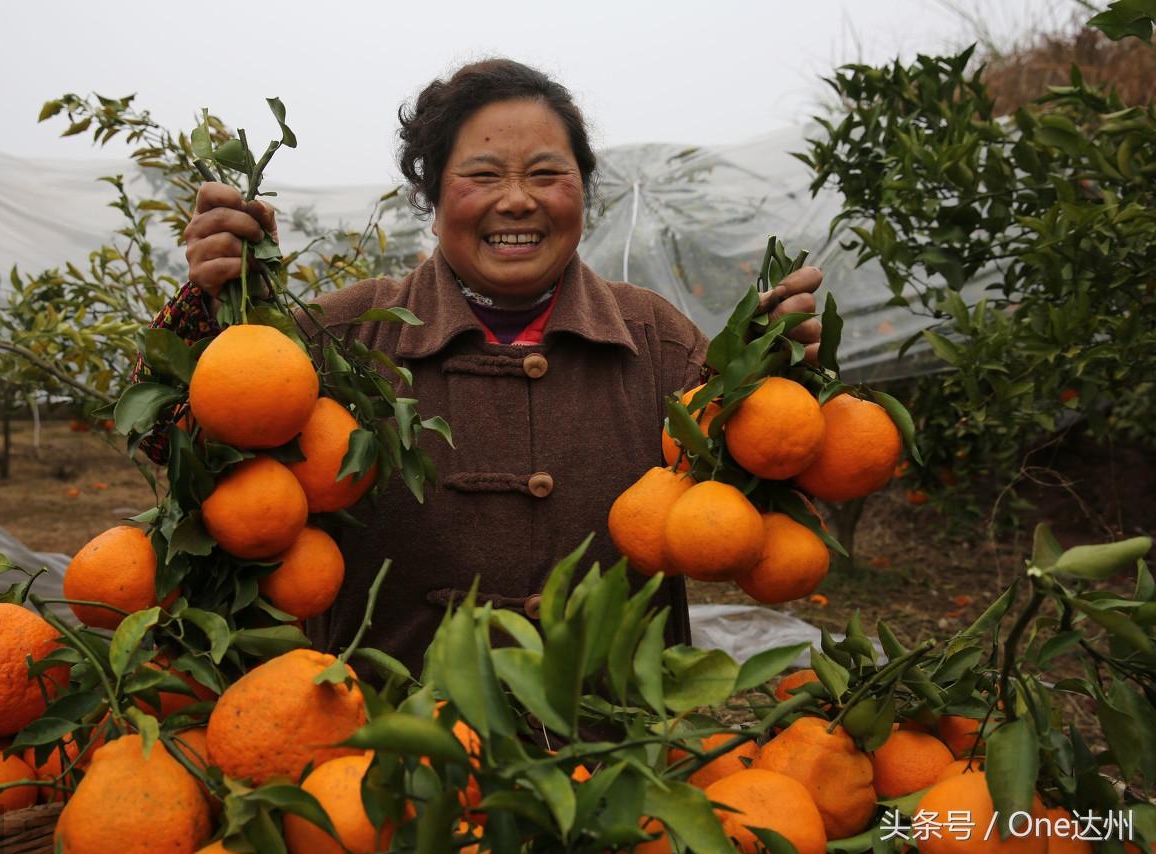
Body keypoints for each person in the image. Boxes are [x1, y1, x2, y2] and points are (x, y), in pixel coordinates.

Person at [156, 58, 822, 675]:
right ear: (432, 194)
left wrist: (772, 377)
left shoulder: (654, 342)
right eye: (481, 175)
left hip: (614, 762)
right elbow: (176, 444)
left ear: (582, 192)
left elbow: (753, 495)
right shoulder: (341, 336)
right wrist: (220, 313)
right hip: (390, 759)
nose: (516, 201)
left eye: (545, 174)